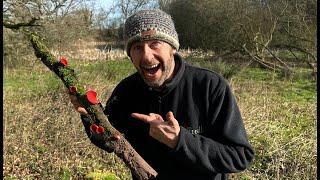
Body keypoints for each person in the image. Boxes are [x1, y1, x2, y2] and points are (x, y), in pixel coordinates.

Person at [70, 9, 254, 180]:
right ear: (130, 55)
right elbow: (110, 142)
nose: (147, 56)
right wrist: (91, 115)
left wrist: (180, 141)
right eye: (137, 48)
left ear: (172, 48)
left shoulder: (209, 86)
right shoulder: (125, 92)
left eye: (154, 44)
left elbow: (239, 156)